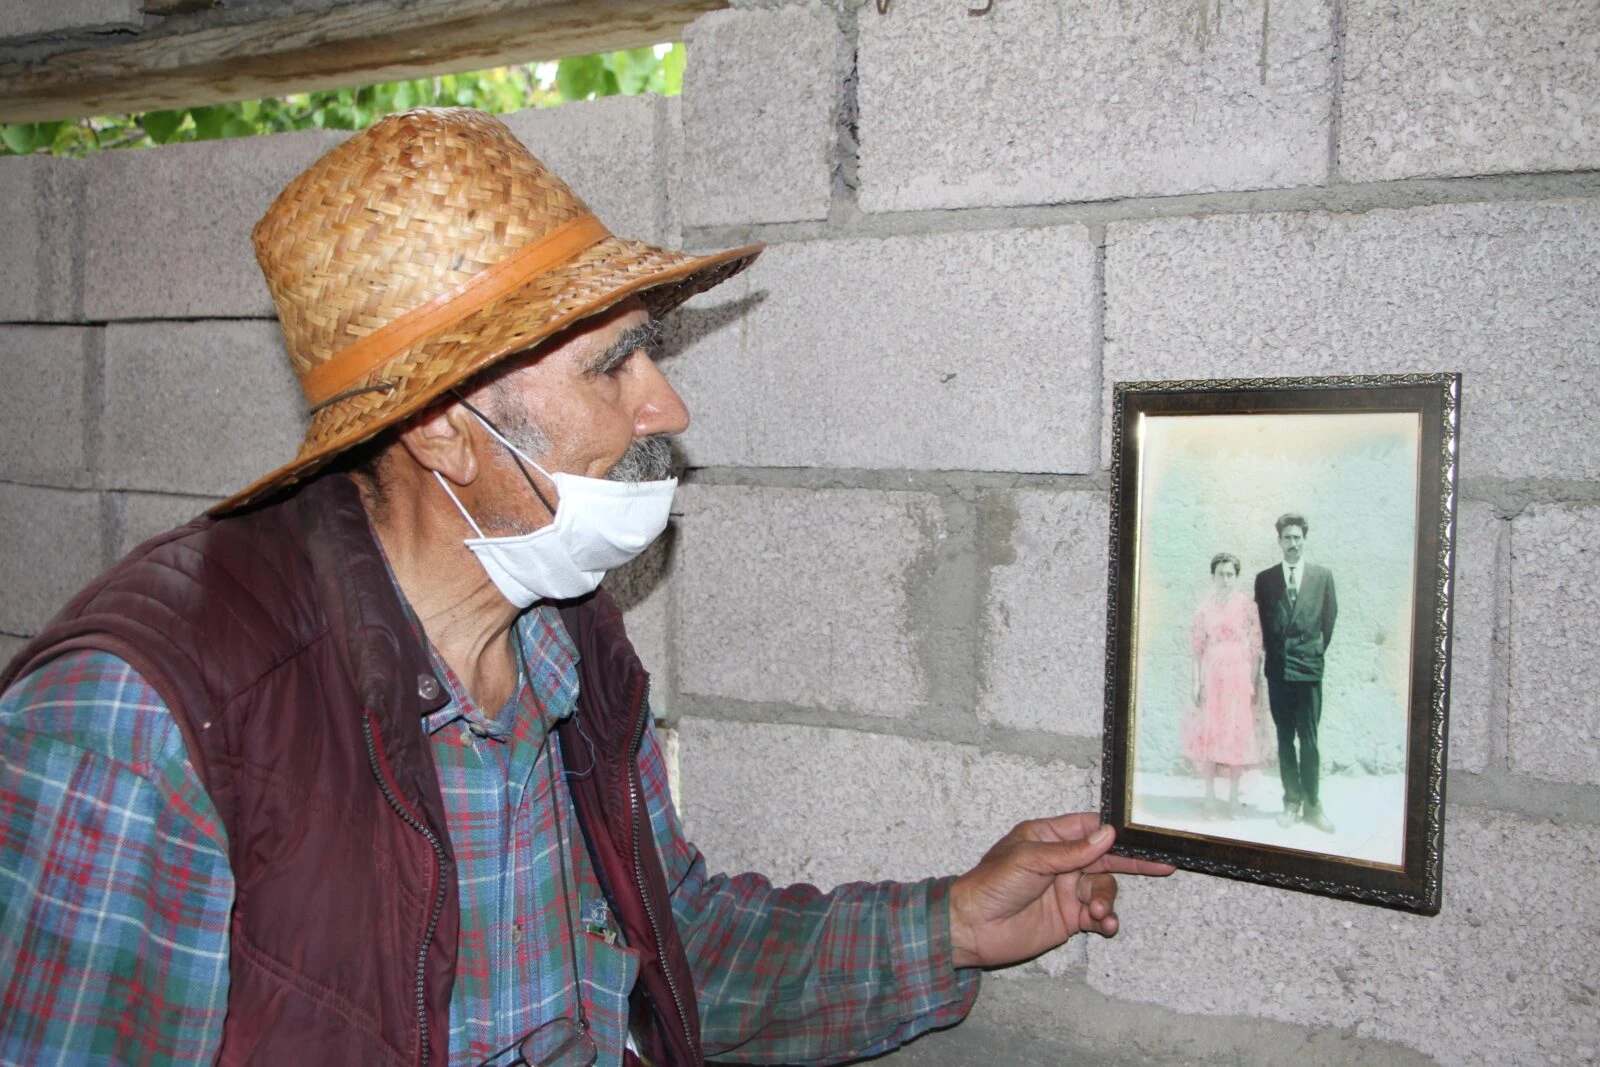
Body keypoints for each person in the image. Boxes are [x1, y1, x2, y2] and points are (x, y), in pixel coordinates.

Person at [0, 108, 1172, 1066]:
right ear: (449, 432)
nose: (666, 407)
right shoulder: (150, 712)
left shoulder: (565, 641)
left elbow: (674, 950)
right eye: (616, 365)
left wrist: (954, 923)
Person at [1253, 513, 1338, 834]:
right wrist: (1278, 654)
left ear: (1305, 540)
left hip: (1309, 670)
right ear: (1279, 541)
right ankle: (1291, 801)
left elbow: (1328, 621)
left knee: (1310, 740)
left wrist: (1312, 652)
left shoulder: (1322, 577)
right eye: (1287, 538)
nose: (1292, 544)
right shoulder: (1265, 579)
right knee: (1285, 738)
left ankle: (1313, 805)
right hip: (1279, 671)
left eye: (1297, 538)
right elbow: (1262, 622)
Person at [1181, 552, 1264, 819]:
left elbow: (1256, 648)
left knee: (1236, 734)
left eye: (1230, 574)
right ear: (1213, 576)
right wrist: (1196, 682)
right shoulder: (1205, 608)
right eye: (1221, 574)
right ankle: (1209, 797)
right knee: (1211, 733)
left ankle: (1232, 798)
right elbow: (1197, 648)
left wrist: (1252, 682)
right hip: (1213, 675)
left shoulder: (1247, 606)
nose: (1226, 579)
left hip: (1238, 677)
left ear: (1236, 577)